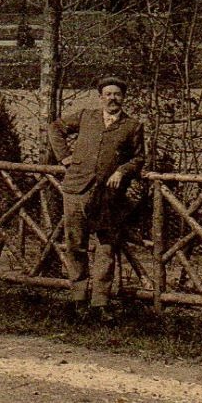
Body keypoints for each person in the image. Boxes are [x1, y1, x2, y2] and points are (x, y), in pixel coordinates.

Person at [47, 75, 146, 306]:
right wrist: (64, 157)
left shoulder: (132, 126)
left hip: (109, 196)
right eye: (108, 94)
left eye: (117, 94)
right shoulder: (86, 116)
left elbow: (139, 157)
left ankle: (100, 301)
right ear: (100, 97)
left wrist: (122, 170)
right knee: (75, 244)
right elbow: (55, 128)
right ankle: (78, 297)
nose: (113, 98)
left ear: (123, 98)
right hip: (76, 189)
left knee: (106, 247)